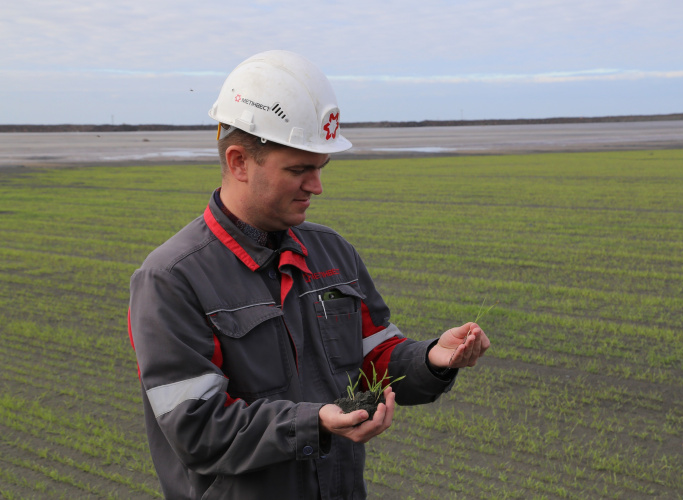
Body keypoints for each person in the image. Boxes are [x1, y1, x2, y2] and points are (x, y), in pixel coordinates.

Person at [128, 50, 490, 500]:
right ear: (239, 162)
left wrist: (434, 358)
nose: (317, 186)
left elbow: (374, 360)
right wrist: (313, 422)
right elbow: (197, 430)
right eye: (299, 170)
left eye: (320, 168)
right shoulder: (170, 279)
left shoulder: (331, 252)